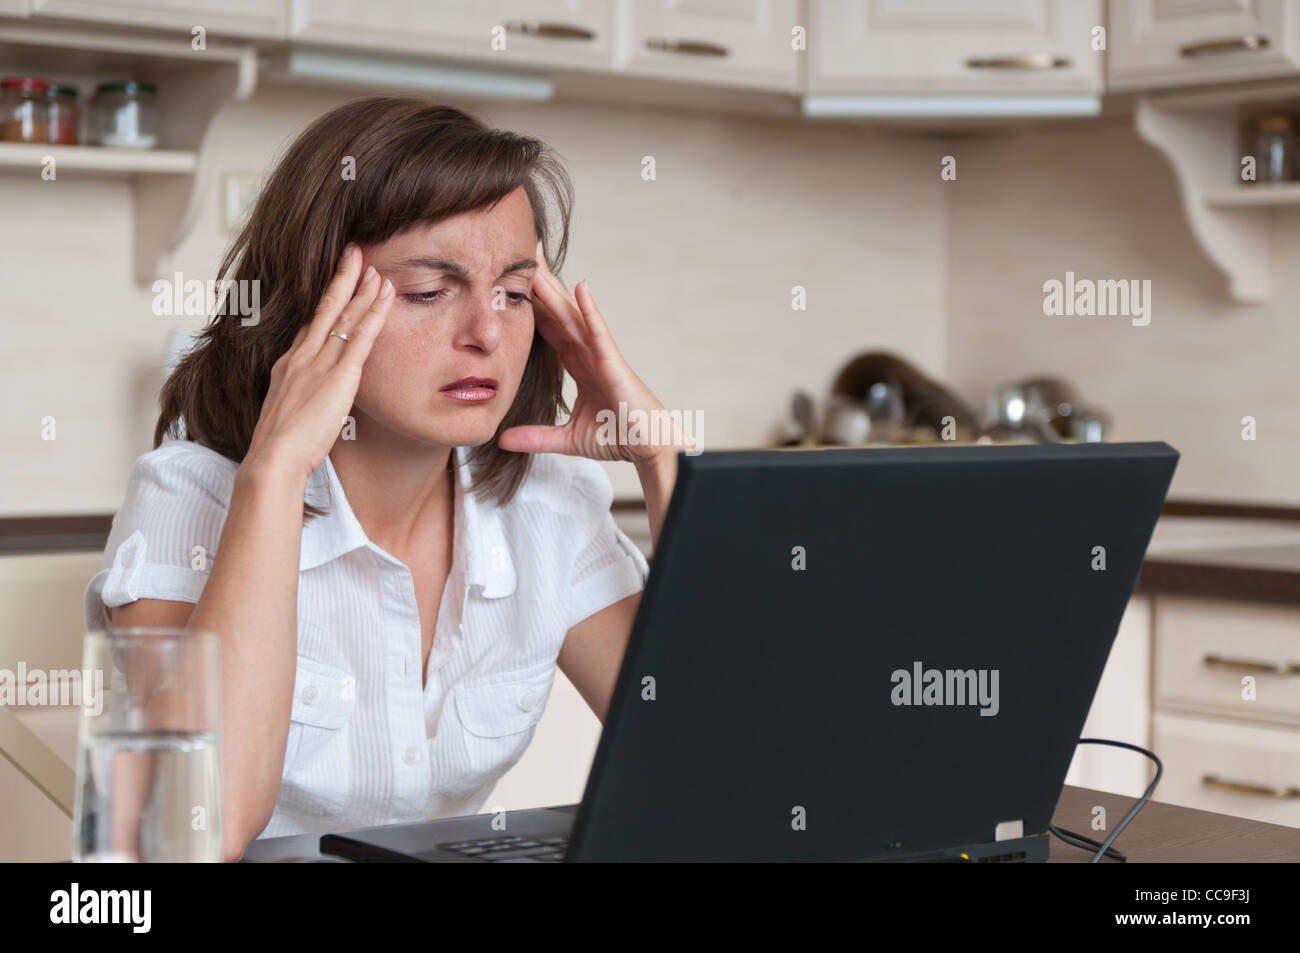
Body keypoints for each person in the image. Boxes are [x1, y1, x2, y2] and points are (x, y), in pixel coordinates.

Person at [83, 97, 691, 861]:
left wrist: (664, 460)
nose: (486, 333)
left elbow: (711, 768)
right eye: (429, 292)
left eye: (513, 290)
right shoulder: (187, 499)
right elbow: (186, 838)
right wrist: (275, 473)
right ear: (314, 304)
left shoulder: (549, 507)